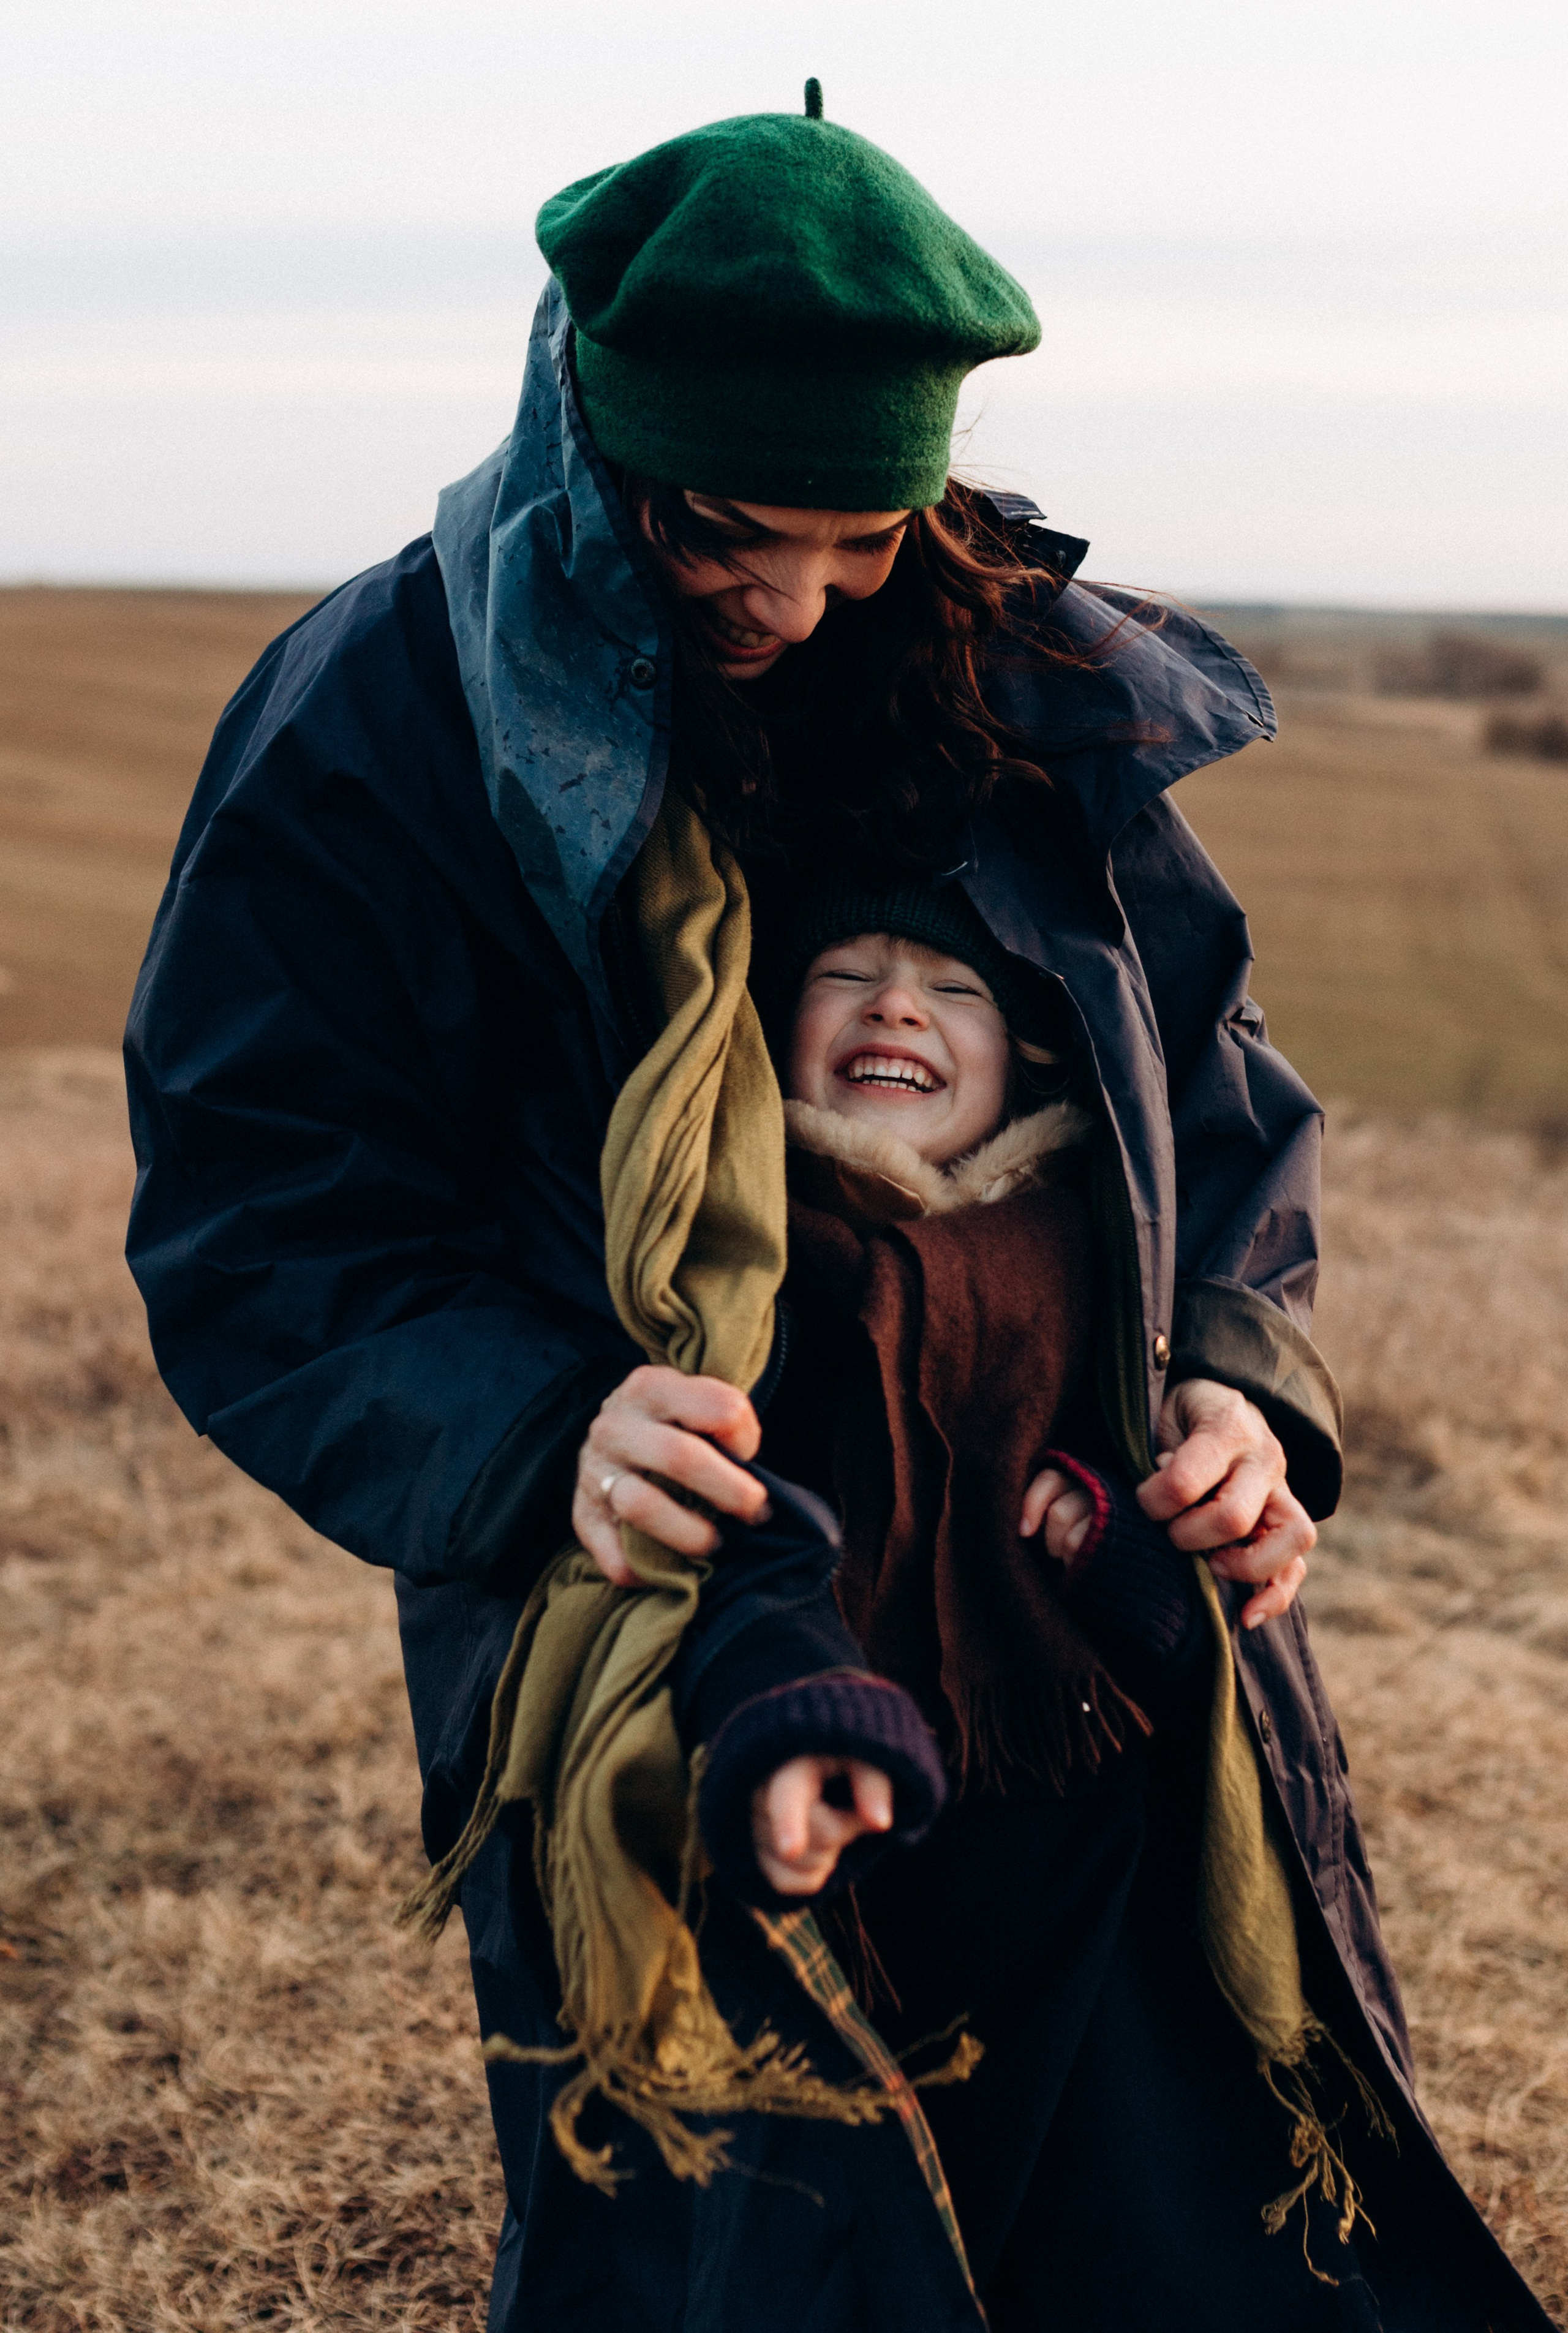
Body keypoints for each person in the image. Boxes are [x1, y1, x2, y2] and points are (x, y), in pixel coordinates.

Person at [123, 89, 1550, 2333]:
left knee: (1187, 2222)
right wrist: (531, 1426)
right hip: (673, 1619)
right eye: (721, 532)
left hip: (1085, 1622)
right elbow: (256, 1208)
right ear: (600, 435)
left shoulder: (1015, 673)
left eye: (858, 531)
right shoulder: (371, 724)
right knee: (744, 2238)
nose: (793, 597)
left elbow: (1209, 1087)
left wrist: (1243, 1384)